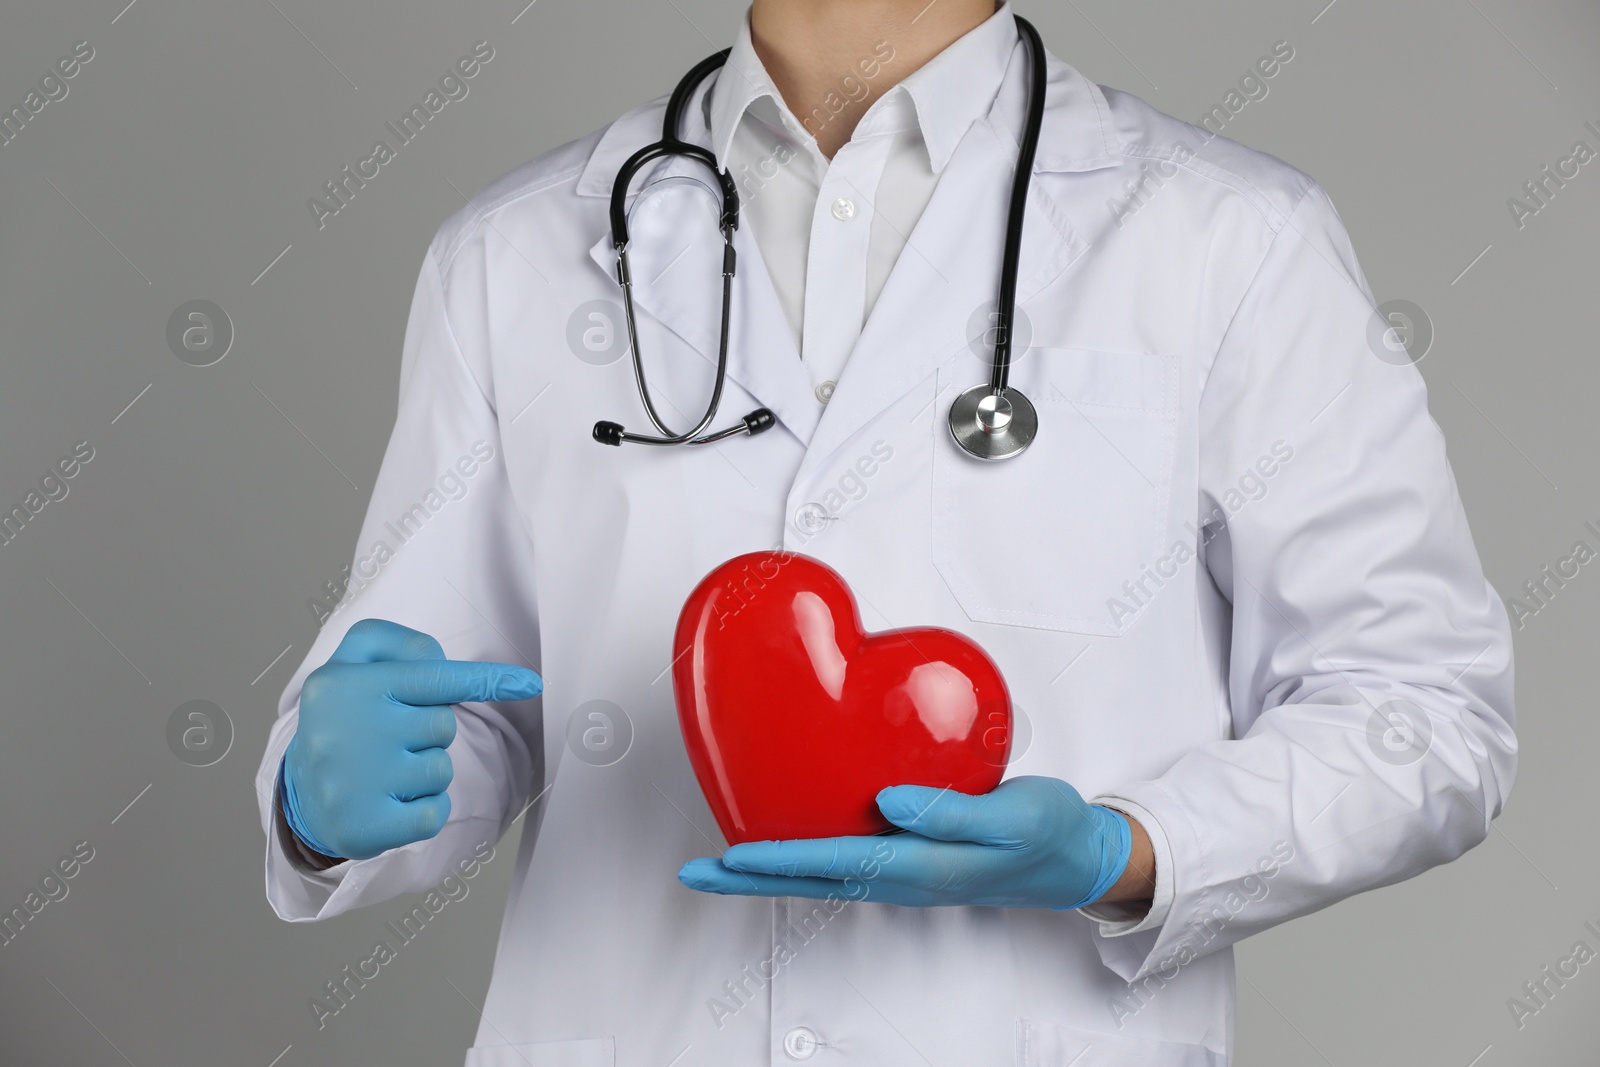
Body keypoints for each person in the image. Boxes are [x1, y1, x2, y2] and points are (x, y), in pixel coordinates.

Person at [254, 1, 1517, 1063]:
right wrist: (323, 801)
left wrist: (1124, 848)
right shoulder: (516, 252)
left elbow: (1424, 710)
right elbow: (441, 705)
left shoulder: (1225, 240)